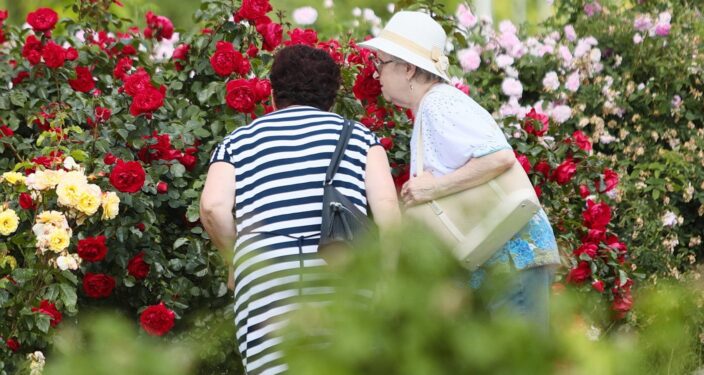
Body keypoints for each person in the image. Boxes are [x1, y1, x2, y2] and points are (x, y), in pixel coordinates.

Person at [200, 44, 400, 375]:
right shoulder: (361, 137)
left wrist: (235, 259)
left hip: (269, 279)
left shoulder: (238, 142)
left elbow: (212, 206)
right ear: (332, 97)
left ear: (274, 93)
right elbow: (388, 210)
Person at [358, 11, 561, 327]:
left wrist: (433, 188)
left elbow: (499, 158)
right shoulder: (433, 105)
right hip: (500, 259)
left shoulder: (440, 104)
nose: (376, 74)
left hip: (511, 258)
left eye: (381, 63)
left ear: (409, 68)